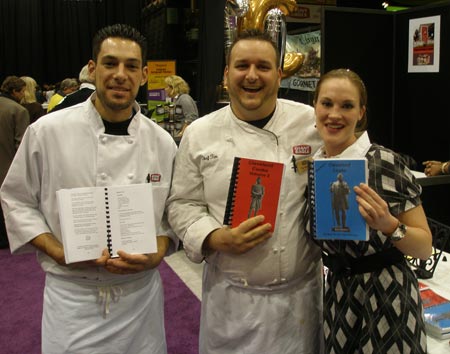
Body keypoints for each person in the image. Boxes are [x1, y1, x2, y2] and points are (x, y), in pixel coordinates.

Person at [0, 24, 177, 354]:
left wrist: (159, 250)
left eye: (131, 66)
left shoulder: (162, 143)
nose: (120, 74)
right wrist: (57, 249)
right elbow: (17, 200)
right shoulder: (47, 132)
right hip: (72, 298)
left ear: (144, 75)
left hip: (139, 300)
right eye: (110, 63)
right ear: (92, 69)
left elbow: (173, 212)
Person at [167, 29, 323, 354]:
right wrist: (215, 238)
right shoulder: (199, 133)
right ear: (226, 74)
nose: (252, 76)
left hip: (300, 302)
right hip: (231, 299)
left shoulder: (312, 124)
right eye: (242, 66)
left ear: (279, 74)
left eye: (263, 67)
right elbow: (182, 205)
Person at [311, 68, 432, 353]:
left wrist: (390, 225)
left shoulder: (384, 162)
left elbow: (424, 248)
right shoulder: (313, 165)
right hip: (339, 295)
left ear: (361, 113)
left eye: (347, 106)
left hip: (388, 295)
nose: (335, 114)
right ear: (314, 107)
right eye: (326, 103)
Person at [0, 76, 30, 249]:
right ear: (15, 91)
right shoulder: (18, 111)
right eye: (23, 90)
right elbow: (22, 147)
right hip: (8, 168)